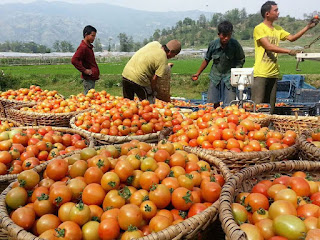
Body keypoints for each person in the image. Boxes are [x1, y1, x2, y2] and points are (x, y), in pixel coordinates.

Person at [252, 1, 319, 114]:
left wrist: (308, 27)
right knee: (257, 106)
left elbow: (292, 38)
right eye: (276, 10)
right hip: (261, 73)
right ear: (267, 14)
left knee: (271, 109)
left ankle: (268, 129)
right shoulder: (259, 28)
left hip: (274, 73)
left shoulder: (277, 29)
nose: (278, 12)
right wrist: (289, 51)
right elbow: (268, 46)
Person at [192, 21, 245, 108]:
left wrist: (235, 73)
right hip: (215, 76)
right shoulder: (213, 45)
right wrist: (198, 73)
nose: (226, 38)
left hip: (229, 77)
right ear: (219, 34)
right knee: (214, 102)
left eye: (229, 35)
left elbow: (240, 60)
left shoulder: (235, 45)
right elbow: (207, 59)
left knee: (230, 104)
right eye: (223, 36)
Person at [71, 25, 100, 95]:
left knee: (91, 97)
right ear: (86, 35)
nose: (94, 38)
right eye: (92, 36)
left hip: (92, 77)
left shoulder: (88, 47)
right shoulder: (83, 47)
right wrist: (85, 70)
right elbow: (74, 60)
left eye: (94, 36)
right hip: (88, 78)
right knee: (88, 98)